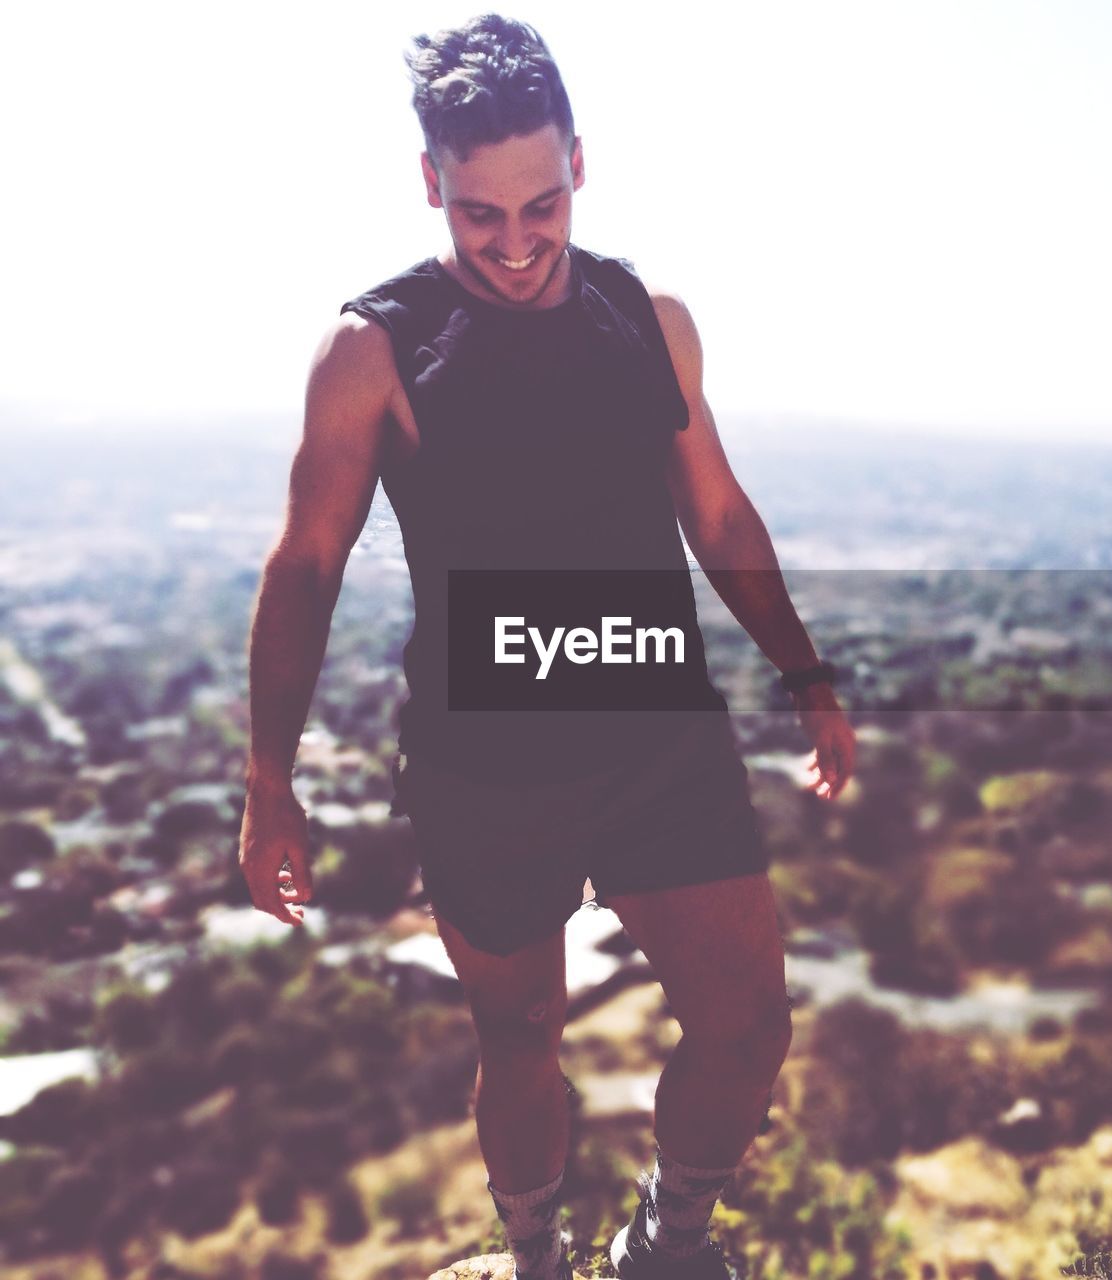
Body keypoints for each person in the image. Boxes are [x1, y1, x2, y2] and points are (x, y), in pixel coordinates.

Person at [237, 13, 855, 1280]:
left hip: (659, 742)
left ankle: (668, 1240)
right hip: (484, 771)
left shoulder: (648, 316)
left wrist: (807, 677)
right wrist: (268, 780)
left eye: (541, 204)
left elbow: (719, 515)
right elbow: (303, 563)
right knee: (519, 1033)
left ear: (580, 161)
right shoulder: (372, 350)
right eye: (479, 216)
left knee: (746, 1021)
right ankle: (534, 1252)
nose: (514, 245)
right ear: (431, 187)